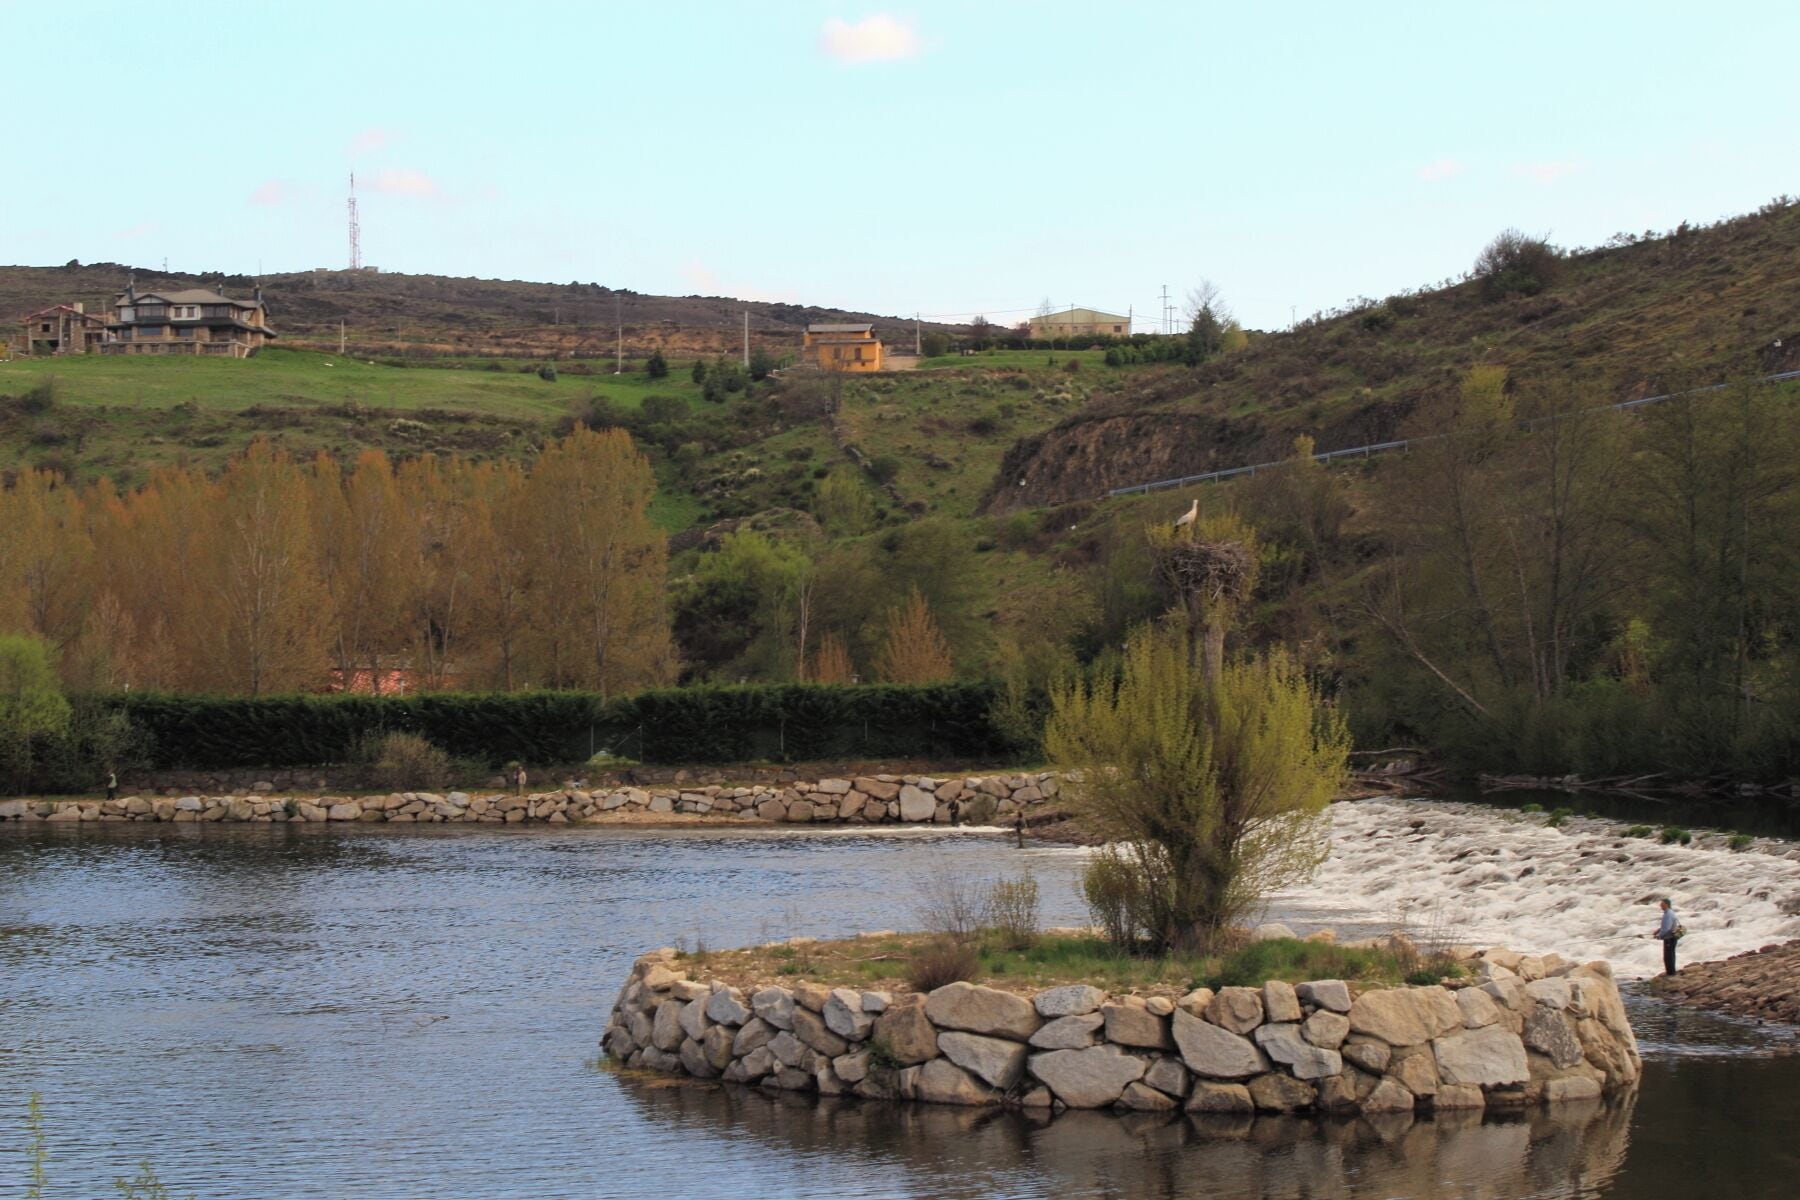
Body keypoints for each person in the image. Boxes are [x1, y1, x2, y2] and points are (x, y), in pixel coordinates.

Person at [1654, 898, 1681, 976]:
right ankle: (1670, 972)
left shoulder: (1668, 914)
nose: (1660, 906)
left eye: (1662, 904)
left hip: (1670, 938)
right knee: (1669, 955)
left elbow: (1667, 928)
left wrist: (1659, 936)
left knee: (1668, 956)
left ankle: (1671, 973)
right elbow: (1665, 926)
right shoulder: (1669, 912)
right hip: (1670, 937)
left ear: (1666, 904)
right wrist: (1658, 931)